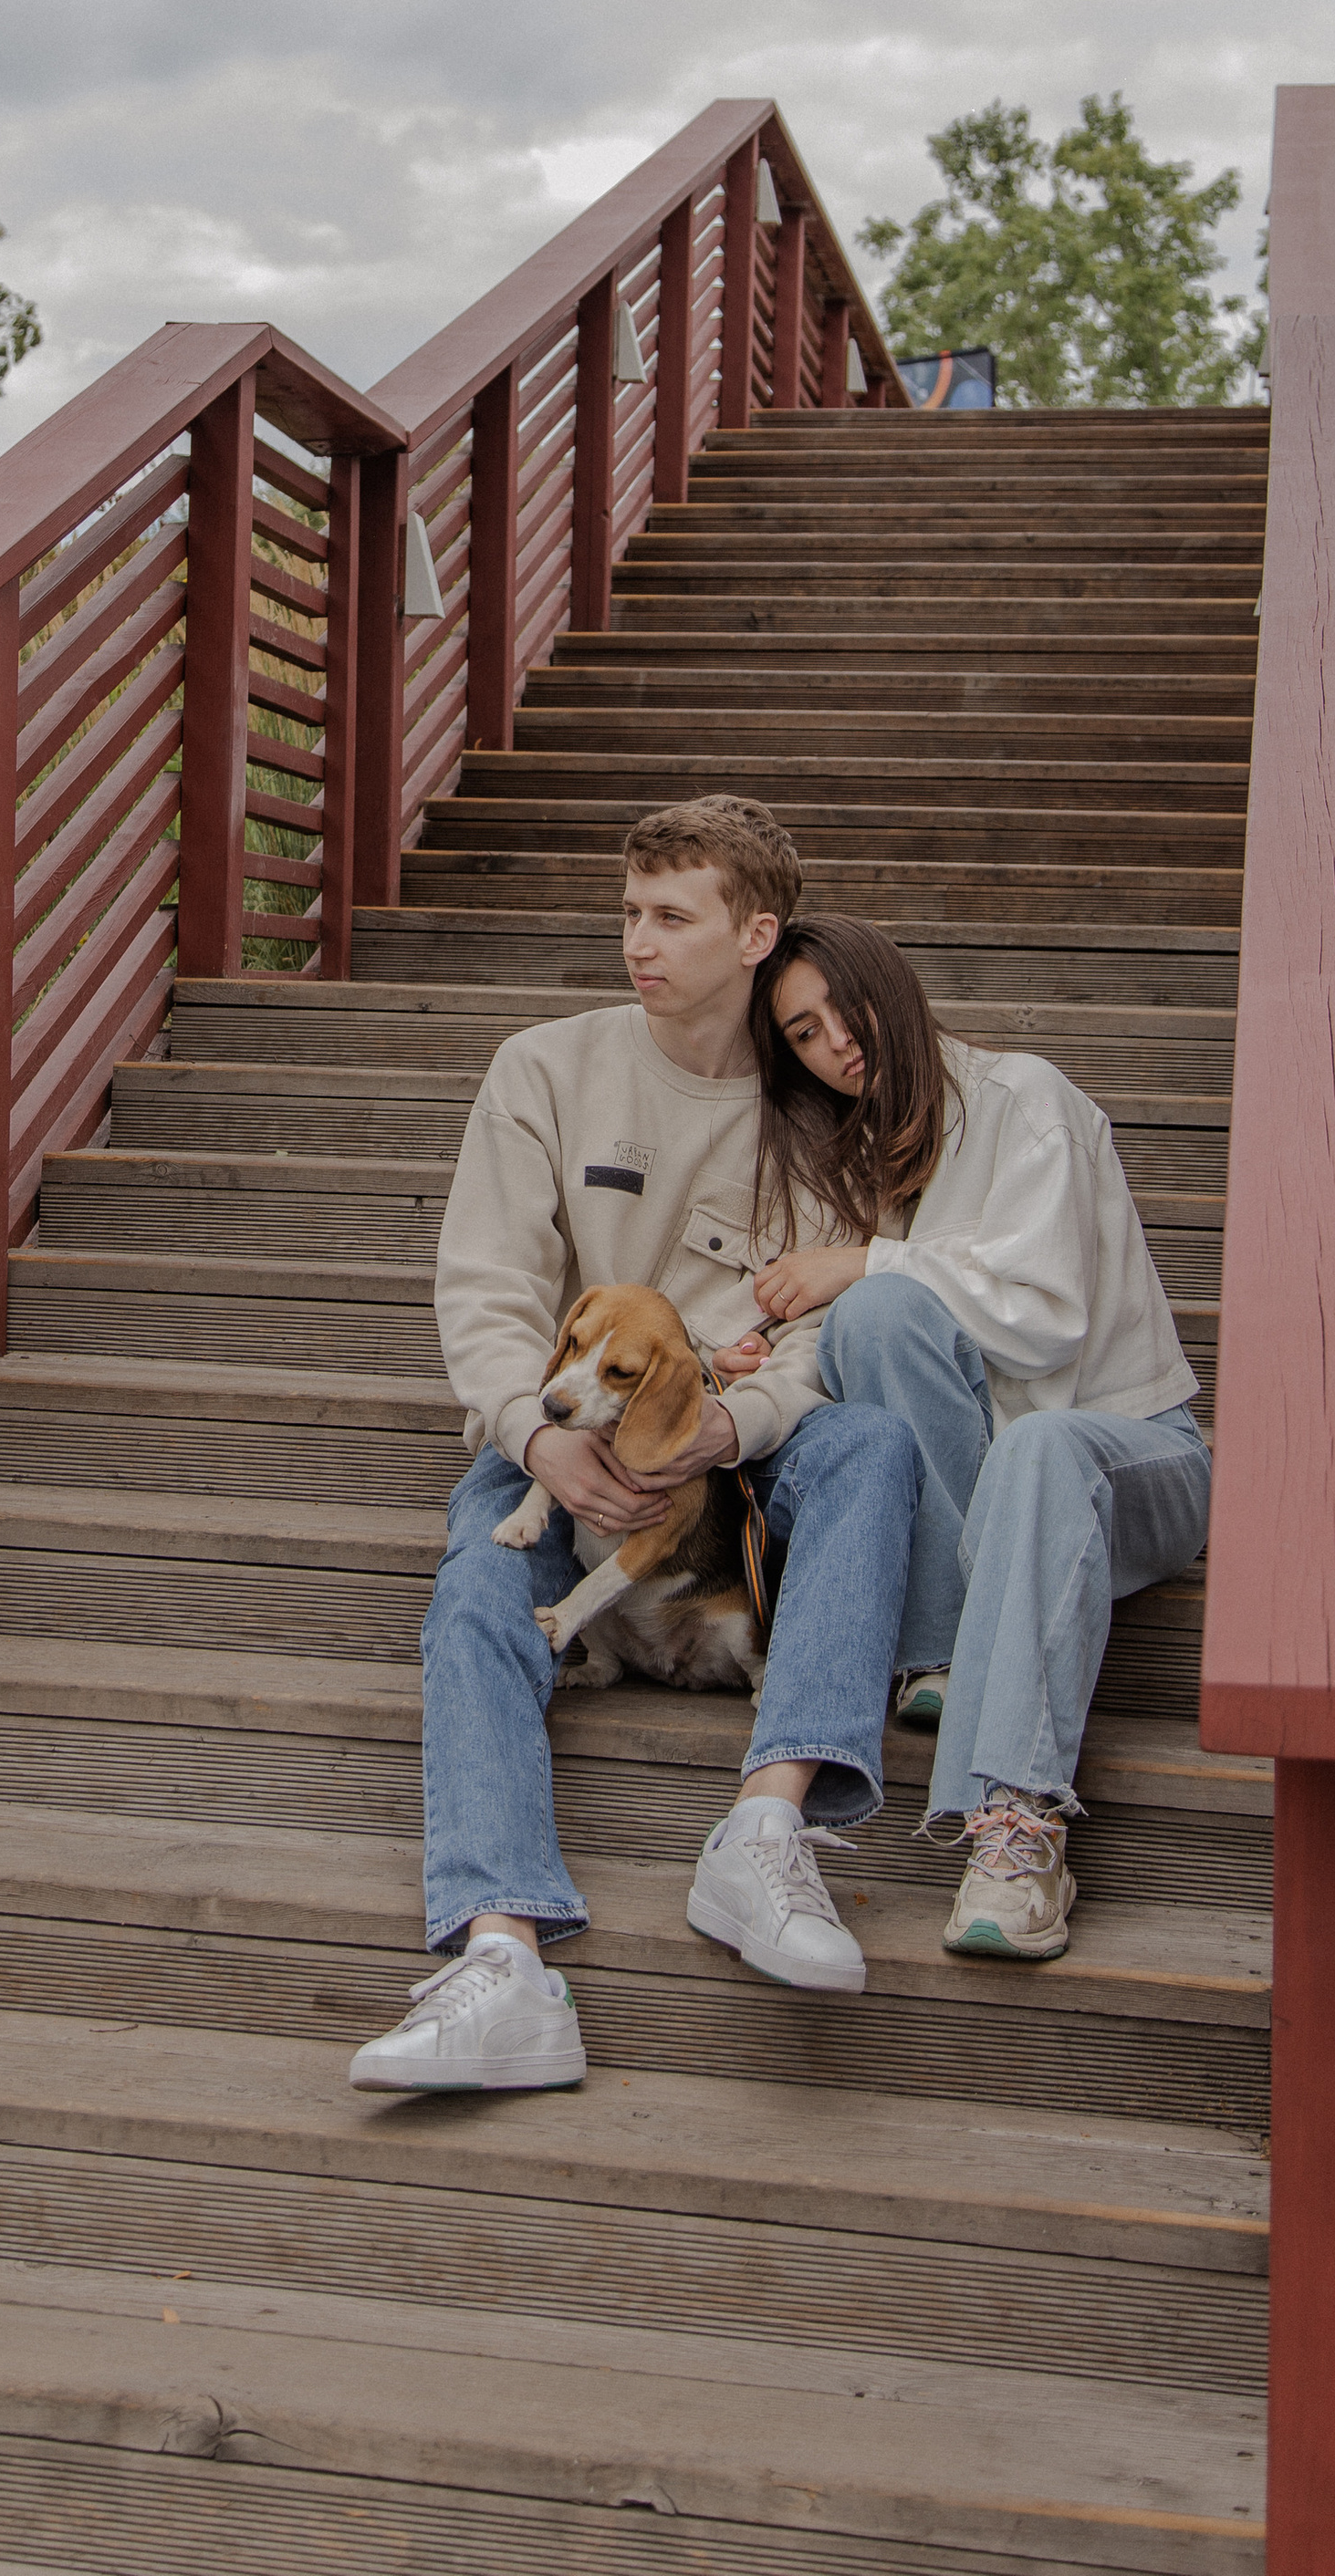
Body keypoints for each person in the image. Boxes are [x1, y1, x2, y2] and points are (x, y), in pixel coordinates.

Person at [348, 797, 923, 2096]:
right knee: (478, 1583)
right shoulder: (544, 1069)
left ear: (755, 934)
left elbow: (823, 1329)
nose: (637, 943)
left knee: (874, 1445)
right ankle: (502, 1959)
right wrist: (532, 1438)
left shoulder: (818, 1108)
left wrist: (729, 1425)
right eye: (628, 913)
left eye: (672, 916)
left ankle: (766, 1831)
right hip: (566, 1433)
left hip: (742, 1446)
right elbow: (489, 1289)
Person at [741, 913, 1211, 1963]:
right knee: (872, 1319)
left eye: (843, 1009)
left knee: (1033, 1441)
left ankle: (1017, 1827)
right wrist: (764, 1362)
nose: (834, 1044)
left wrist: (864, 1262)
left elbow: (1046, 1317)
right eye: (804, 1034)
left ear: (891, 986)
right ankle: (942, 1653)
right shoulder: (871, 1153)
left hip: (1135, 1459)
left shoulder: (1023, 1098)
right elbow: (871, 1334)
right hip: (997, 1500)